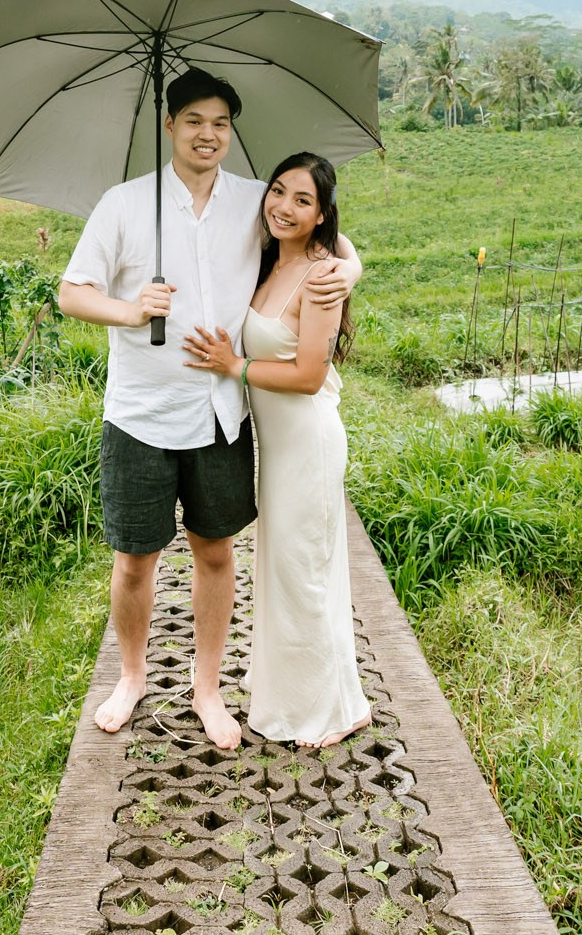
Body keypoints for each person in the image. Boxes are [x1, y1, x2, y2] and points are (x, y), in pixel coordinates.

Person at [58, 70, 358, 751]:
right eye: (194, 120)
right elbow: (72, 292)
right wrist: (130, 309)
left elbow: (329, 237)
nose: (208, 134)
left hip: (220, 413)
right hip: (139, 413)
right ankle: (132, 676)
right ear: (169, 125)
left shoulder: (255, 200)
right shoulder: (124, 204)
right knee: (135, 559)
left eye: (221, 123)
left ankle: (207, 687)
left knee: (215, 553)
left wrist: (352, 268)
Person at [180, 152, 371, 748]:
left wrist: (235, 366)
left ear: (322, 215)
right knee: (288, 570)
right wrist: (355, 261)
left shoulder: (321, 277)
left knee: (303, 571)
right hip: (280, 449)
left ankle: (332, 713)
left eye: (303, 200)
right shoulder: (270, 259)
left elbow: (310, 376)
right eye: (279, 191)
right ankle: (300, 696)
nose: (285, 207)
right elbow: (345, 246)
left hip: (308, 442)